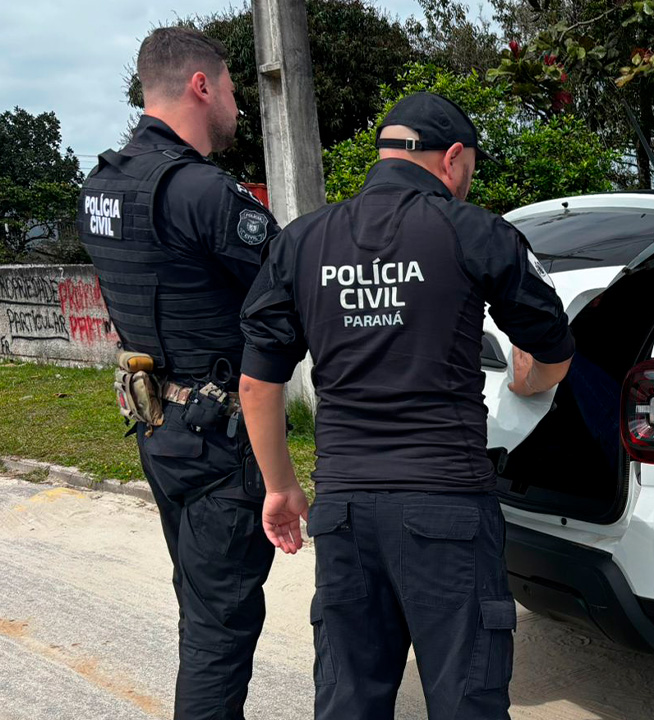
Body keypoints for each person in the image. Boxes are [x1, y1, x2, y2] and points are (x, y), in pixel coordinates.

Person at [238, 92, 575, 720]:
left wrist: (280, 488)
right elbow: (553, 349)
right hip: (447, 503)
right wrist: (529, 384)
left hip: (342, 510)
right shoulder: (476, 232)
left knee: (349, 700)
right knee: (465, 699)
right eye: (468, 170)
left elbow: (258, 385)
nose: (466, 186)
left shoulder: (302, 241)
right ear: (451, 157)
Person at [76, 26, 281, 720]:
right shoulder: (201, 192)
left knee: (199, 603)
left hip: (157, 428)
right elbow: (289, 294)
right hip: (218, 443)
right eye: (229, 88)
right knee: (219, 631)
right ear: (201, 85)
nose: (235, 104)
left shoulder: (102, 185)